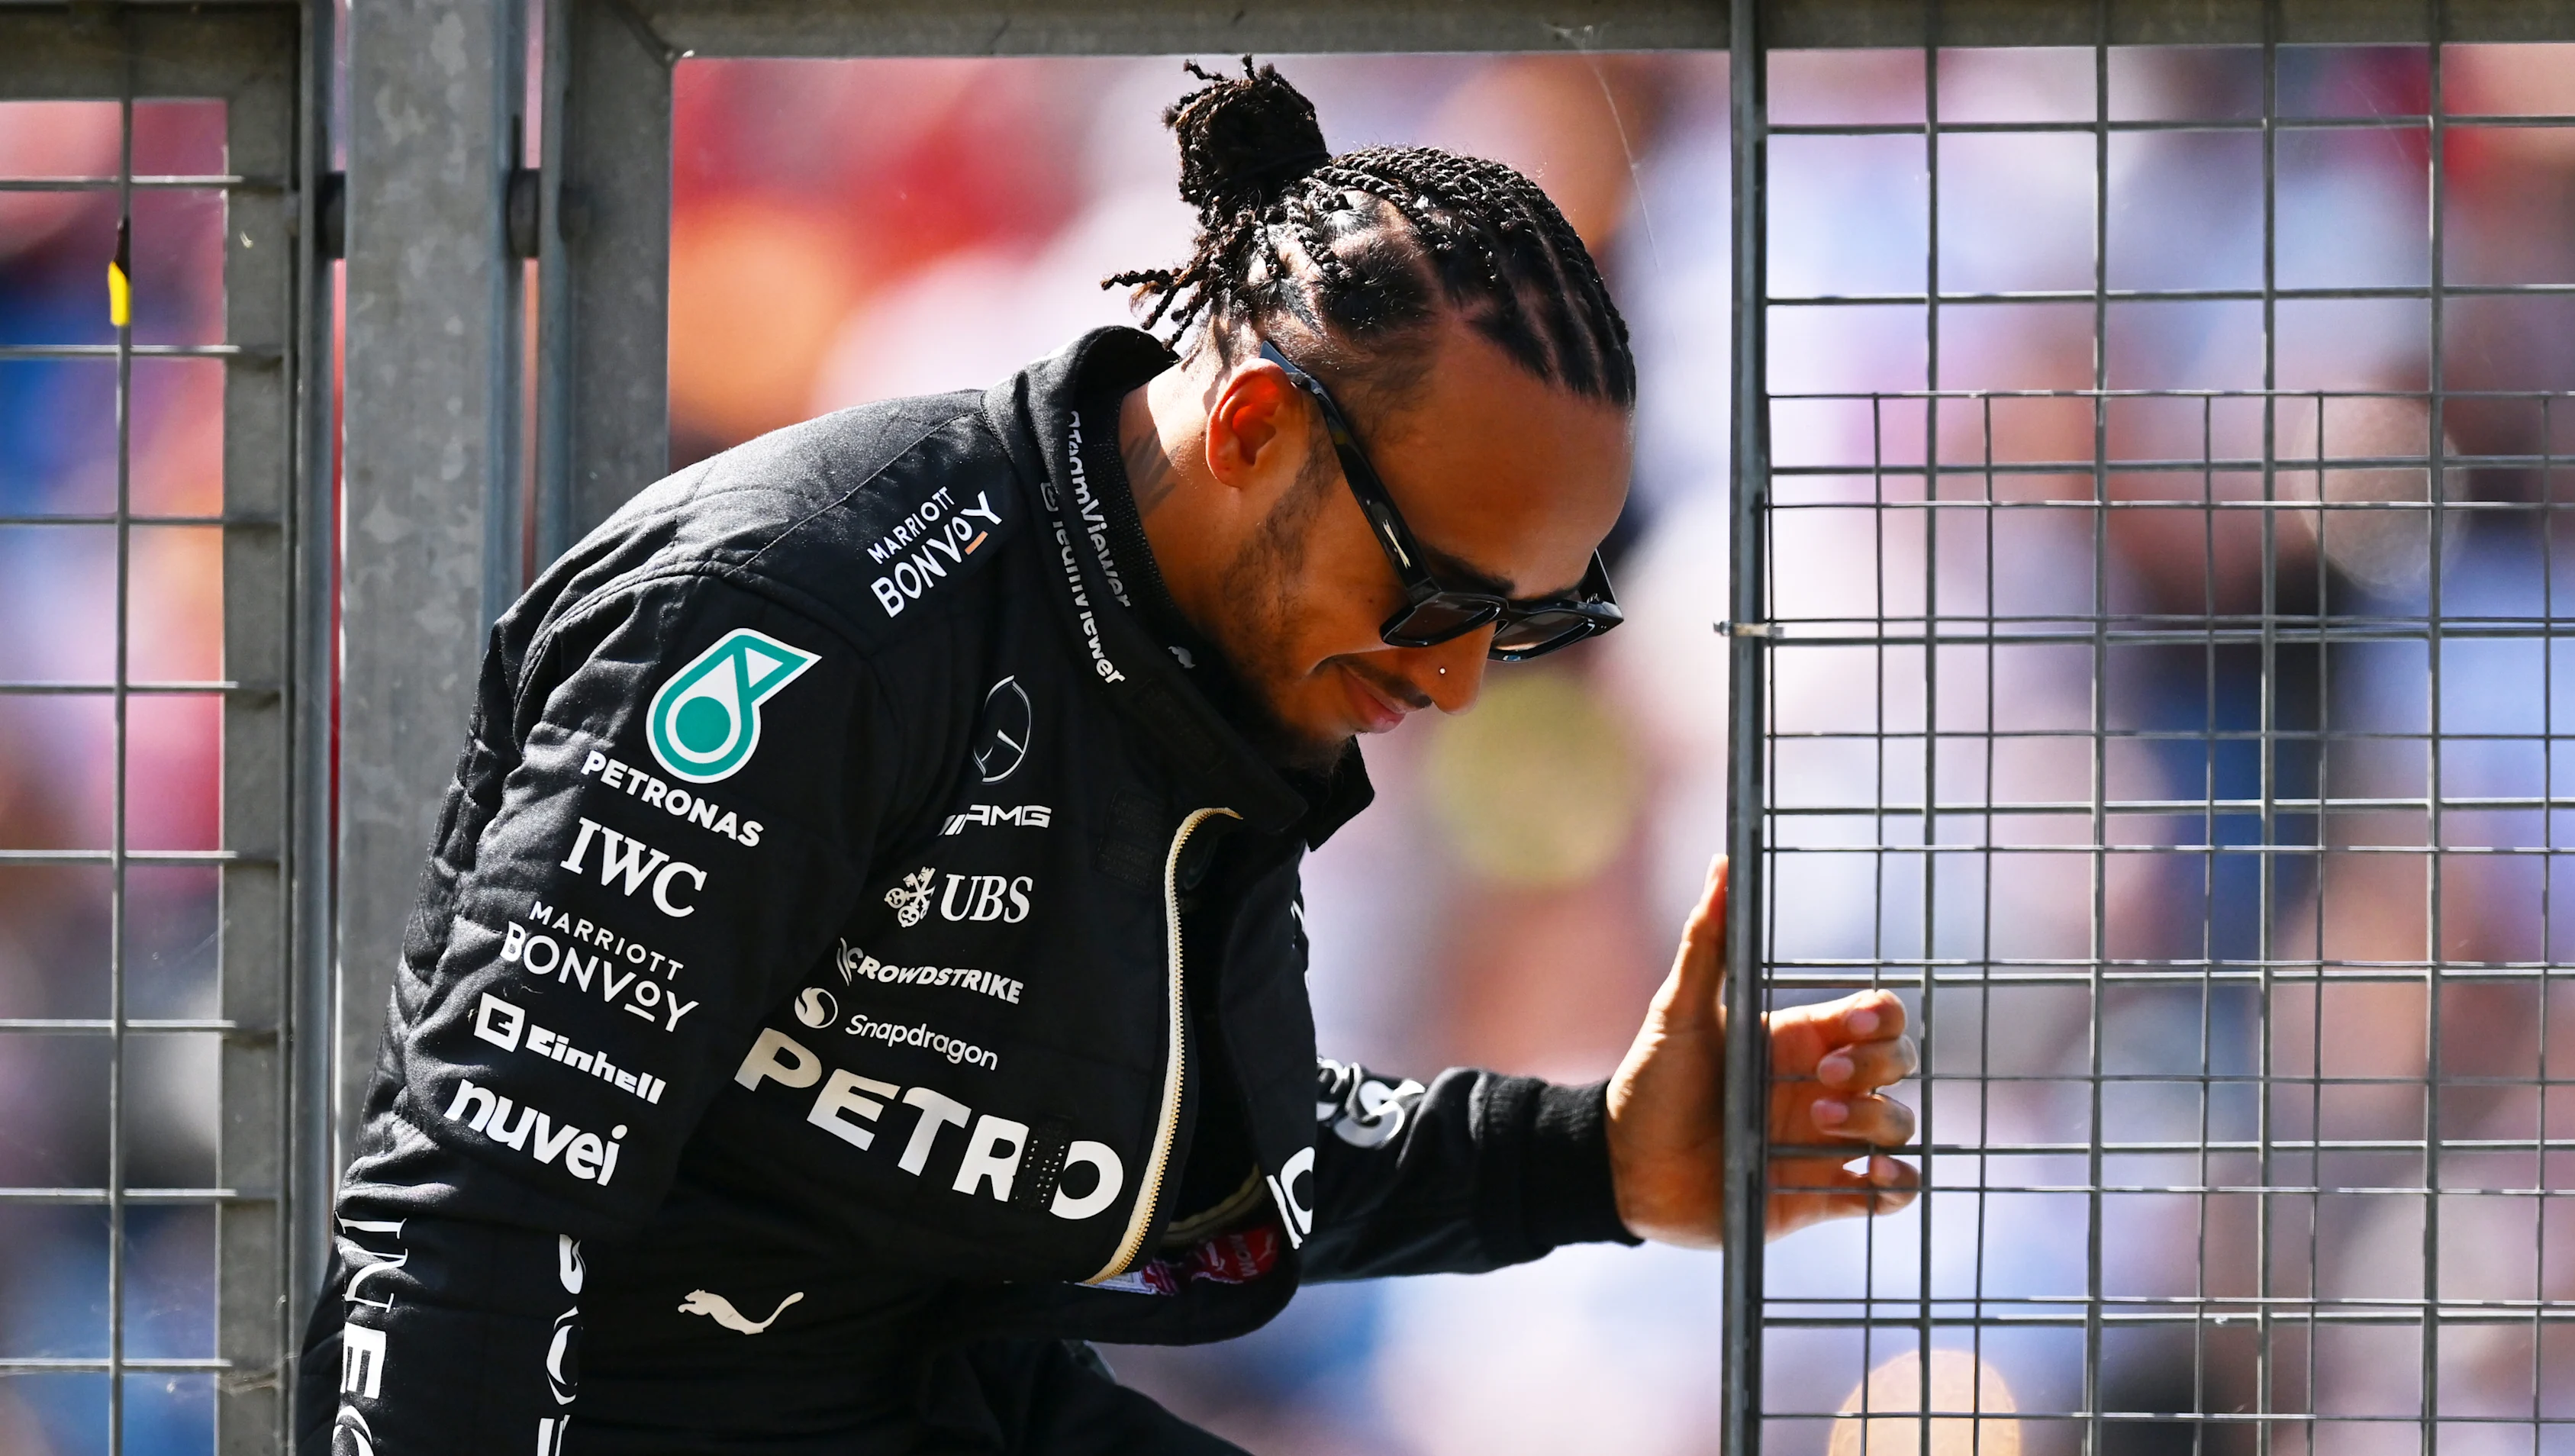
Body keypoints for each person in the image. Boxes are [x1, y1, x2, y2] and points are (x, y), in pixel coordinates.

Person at [295, 60, 1919, 1455]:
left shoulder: (1214, 646)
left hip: (935, 1391)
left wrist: (1586, 1163)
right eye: (1435, 600)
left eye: (1525, 624)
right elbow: (480, 1206)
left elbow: (1146, 1150)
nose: (1457, 681)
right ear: (1255, 433)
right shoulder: (800, 624)